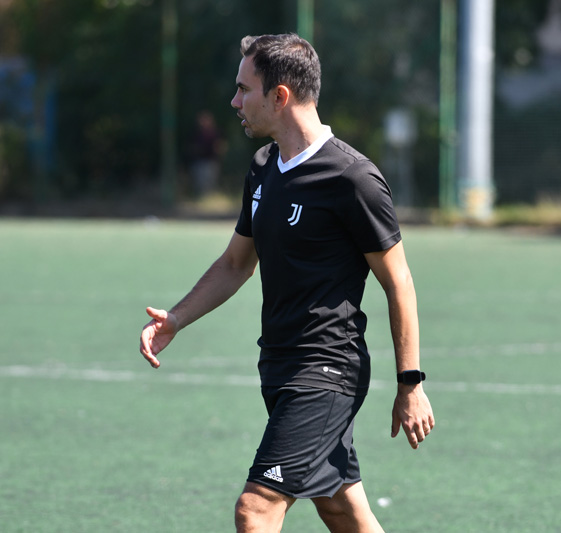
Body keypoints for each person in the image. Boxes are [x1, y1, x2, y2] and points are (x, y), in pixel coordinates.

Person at [140, 33, 434, 533]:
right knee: (340, 508)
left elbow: (398, 281)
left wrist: (411, 383)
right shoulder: (262, 168)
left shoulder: (352, 178)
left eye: (243, 89)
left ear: (280, 96)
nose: (234, 101)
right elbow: (236, 264)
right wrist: (177, 318)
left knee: (255, 509)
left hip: (326, 371)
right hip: (278, 365)